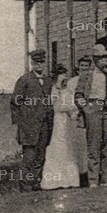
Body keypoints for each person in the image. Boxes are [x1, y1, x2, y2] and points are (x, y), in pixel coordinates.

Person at [79, 43, 107, 187]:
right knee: (94, 146)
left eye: (105, 57)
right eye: (100, 58)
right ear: (94, 59)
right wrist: (86, 108)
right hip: (93, 107)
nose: (103, 60)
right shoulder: (86, 75)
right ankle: (93, 180)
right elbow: (78, 95)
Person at [10, 50, 54, 192]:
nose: (39, 65)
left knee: (40, 157)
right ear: (32, 63)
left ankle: (36, 185)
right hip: (29, 126)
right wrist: (21, 124)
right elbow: (15, 102)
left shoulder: (48, 81)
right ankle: (25, 187)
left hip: (44, 125)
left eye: (41, 62)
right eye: (36, 63)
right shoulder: (25, 80)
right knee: (28, 158)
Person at [43, 58, 87, 190]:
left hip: (68, 123)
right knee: (58, 149)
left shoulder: (68, 92)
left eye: (65, 80)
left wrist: (75, 114)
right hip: (57, 123)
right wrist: (57, 88)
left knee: (69, 149)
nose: (64, 82)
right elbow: (54, 106)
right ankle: (55, 181)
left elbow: (72, 108)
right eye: (62, 80)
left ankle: (70, 180)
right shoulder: (54, 91)